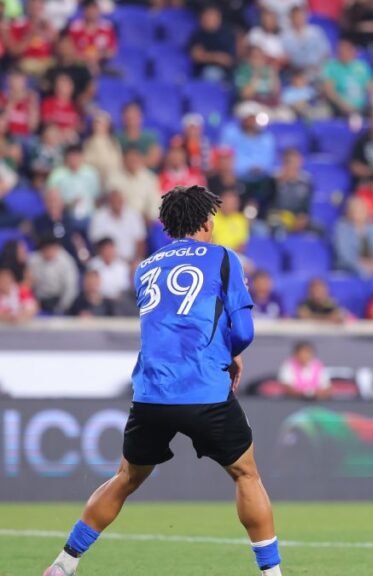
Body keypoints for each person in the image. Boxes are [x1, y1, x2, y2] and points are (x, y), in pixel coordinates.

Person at [43, 185, 282, 576]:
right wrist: (229, 354)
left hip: (151, 394)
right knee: (246, 474)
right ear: (207, 221)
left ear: (169, 226)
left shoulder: (146, 267)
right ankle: (272, 574)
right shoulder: (223, 257)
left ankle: (63, 564)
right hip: (205, 389)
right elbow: (244, 331)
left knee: (125, 477)